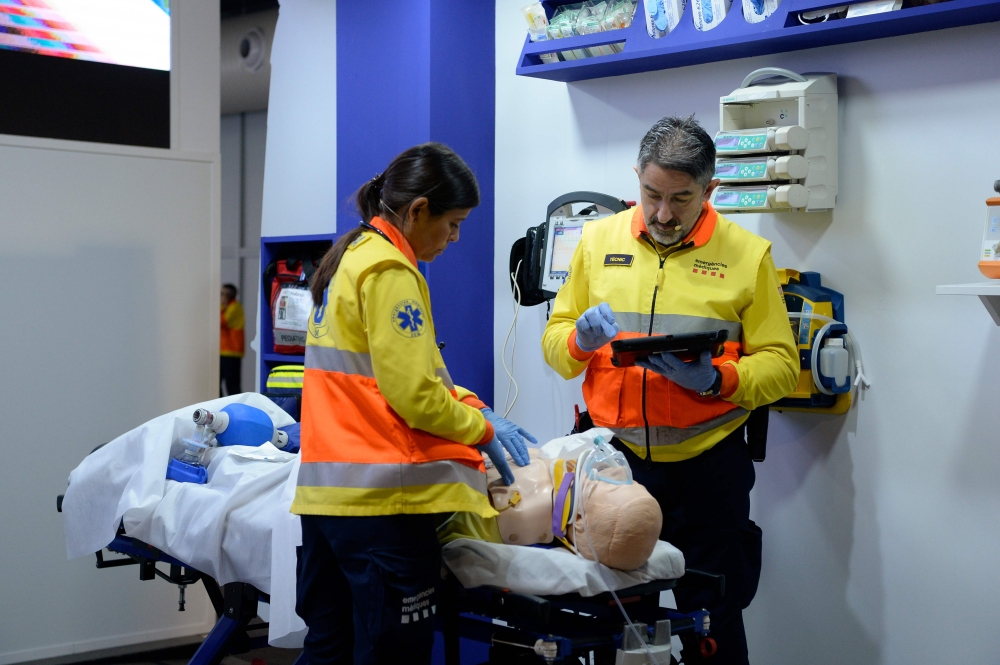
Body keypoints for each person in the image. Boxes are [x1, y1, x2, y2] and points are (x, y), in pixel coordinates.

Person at [542, 116, 799, 664]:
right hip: (617, 464)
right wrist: (580, 341)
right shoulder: (596, 241)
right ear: (637, 177)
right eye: (650, 194)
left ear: (710, 190)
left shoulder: (747, 255)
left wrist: (717, 379)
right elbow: (556, 347)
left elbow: (781, 365)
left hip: (707, 469)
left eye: (680, 199)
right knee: (612, 616)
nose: (662, 214)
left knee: (712, 616)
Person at [292, 143, 537, 665]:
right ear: (418, 209)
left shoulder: (351, 257)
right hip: (381, 506)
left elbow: (419, 374)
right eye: (453, 223)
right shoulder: (391, 273)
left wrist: (475, 408)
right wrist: (483, 432)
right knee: (393, 655)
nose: (454, 237)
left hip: (327, 504)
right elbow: (415, 397)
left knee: (328, 651)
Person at [220, 283, 244, 396]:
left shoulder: (234, 307)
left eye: (223, 294)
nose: (221, 297)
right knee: (219, 382)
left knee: (232, 385)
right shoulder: (227, 307)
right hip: (225, 350)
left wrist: (220, 305)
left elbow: (222, 321)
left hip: (231, 351)